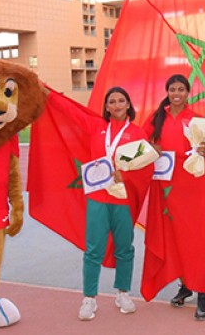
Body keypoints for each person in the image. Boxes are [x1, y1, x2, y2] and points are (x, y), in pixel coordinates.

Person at [141, 74, 205, 321]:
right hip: (167, 188)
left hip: (194, 188)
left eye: (181, 89)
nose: (177, 93)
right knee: (176, 240)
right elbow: (141, 144)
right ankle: (185, 284)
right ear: (167, 92)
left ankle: (202, 294)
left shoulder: (198, 119)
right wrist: (150, 147)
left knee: (198, 240)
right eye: (172, 89)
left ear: (188, 93)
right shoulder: (156, 119)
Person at [78, 87, 153, 321]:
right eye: (112, 101)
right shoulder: (97, 128)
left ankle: (123, 293)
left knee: (124, 248)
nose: (117, 104)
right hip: (98, 198)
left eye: (122, 100)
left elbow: (147, 166)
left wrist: (127, 177)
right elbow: (72, 113)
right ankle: (89, 298)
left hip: (123, 200)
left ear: (129, 104)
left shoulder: (137, 133)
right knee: (93, 250)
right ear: (107, 106)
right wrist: (47, 95)